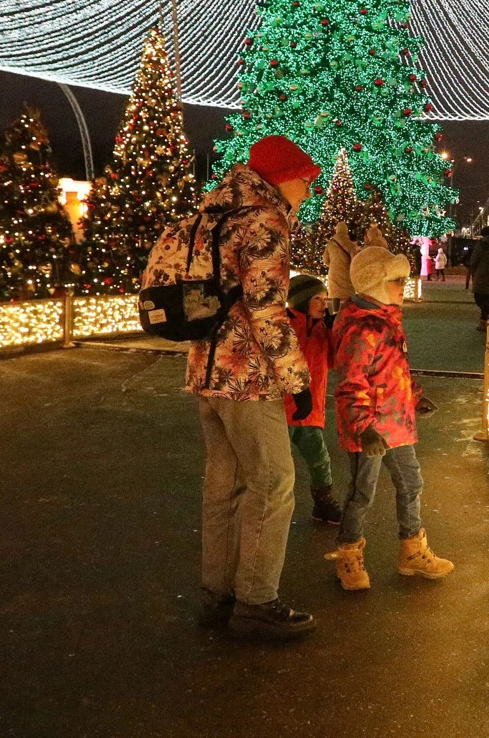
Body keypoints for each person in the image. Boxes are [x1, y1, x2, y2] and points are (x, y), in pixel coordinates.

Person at [143, 134, 320, 641]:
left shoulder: (210, 214)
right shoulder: (264, 220)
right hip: (248, 377)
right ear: (282, 177)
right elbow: (266, 310)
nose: (308, 189)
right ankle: (257, 601)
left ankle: (217, 594)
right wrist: (296, 379)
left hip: (204, 369)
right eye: (305, 179)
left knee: (223, 485)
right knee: (274, 483)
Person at [325, 246, 453, 589]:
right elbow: (352, 383)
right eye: (397, 280)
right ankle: (349, 553)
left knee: (411, 483)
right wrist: (364, 428)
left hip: (396, 423)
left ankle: (412, 549)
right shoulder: (362, 327)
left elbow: (393, 371)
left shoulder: (388, 320)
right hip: (371, 431)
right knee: (361, 492)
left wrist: (413, 395)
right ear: (376, 283)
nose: (403, 285)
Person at [285, 274, 343, 524]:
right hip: (281, 408)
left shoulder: (321, 328)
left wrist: (332, 333)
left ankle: (323, 502)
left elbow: (335, 362)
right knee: (276, 467)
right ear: (301, 301)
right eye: (317, 298)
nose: (324, 304)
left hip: (311, 409)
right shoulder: (284, 326)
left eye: (325, 298)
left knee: (319, 460)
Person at [467, 227, 489, 323]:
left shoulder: (482, 244)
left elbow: (474, 259)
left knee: (478, 298)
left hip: (482, 273)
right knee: (487, 298)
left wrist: (472, 265)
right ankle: (484, 321)